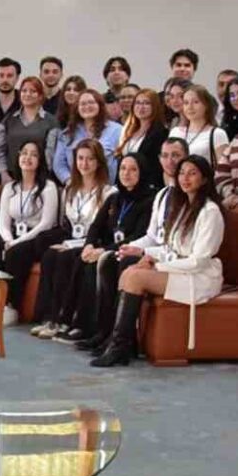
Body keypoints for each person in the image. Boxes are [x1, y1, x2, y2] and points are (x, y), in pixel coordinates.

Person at [95, 155, 224, 366]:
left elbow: (199, 261)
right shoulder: (182, 207)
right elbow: (169, 247)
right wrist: (147, 255)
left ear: (204, 179)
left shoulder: (210, 212)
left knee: (135, 278)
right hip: (179, 269)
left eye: (192, 174)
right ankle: (123, 343)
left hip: (199, 277)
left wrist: (157, 266)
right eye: (181, 173)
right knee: (130, 271)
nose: (185, 178)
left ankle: (119, 346)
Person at [72, 151, 157, 355]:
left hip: (133, 250)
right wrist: (89, 245)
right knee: (86, 261)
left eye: (133, 169)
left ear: (142, 172)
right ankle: (95, 329)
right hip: (111, 249)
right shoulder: (115, 198)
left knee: (107, 262)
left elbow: (139, 235)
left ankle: (113, 335)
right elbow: (96, 226)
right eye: (123, 169)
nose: (126, 173)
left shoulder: (149, 200)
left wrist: (104, 250)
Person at [31, 141, 112, 342]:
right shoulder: (70, 188)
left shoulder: (108, 192)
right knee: (49, 255)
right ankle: (48, 317)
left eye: (90, 159)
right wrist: (66, 242)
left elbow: (100, 231)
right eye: (80, 158)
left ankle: (63, 319)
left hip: (91, 243)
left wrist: (69, 245)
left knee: (64, 257)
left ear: (99, 162)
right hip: (72, 239)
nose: (84, 163)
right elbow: (66, 225)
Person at [0, 140, 62, 327]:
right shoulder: (10, 187)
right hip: (13, 236)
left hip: (38, 237)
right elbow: (3, 223)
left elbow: (46, 223)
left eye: (33, 154)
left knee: (16, 253)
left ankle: (11, 306)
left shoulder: (48, 187)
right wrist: (8, 240)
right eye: (24, 153)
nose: (27, 157)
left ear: (40, 160)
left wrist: (16, 243)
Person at [0, 76, 60, 183]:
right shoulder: (8, 120)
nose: (27, 94)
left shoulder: (51, 121)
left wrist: (41, 178)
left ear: (40, 96)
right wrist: (3, 174)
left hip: (41, 179)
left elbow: (51, 154)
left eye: (33, 91)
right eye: (24, 91)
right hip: (10, 178)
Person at [51, 88, 122, 184]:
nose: (87, 106)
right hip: (75, 188)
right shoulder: (68, 133)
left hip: (106, 188)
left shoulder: (117, 130)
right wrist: (70, 182)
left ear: (100, 105)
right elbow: (59, 164)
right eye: (83, 104)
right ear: (77, 108)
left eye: (91, 102)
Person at [117, 88, 169, 188]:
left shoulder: (161, 133)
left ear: (155, 107)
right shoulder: (129, 130)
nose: (141, 107)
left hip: (147, 186)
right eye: (138, 103)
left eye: (146, 103)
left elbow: (156, 166)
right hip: (126, 185)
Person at [169, 84, 229, 167]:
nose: (190, 107)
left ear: (206, 105)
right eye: (186, 103)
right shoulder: (175, 132)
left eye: (196, 102)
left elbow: (223, 169)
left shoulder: (217, 134)